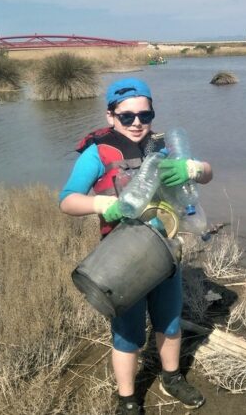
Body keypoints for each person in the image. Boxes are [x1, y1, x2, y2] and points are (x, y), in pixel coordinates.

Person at [59, 78, 212, 414]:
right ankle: (128, 398)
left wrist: (193, 168)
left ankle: (172, 379)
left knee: (169, 322)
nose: (137, 123)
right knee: (127, 334)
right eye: (127, 116)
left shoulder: (163, 148)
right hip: (120, 259)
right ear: (111, 116)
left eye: (145, 114)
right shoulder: (96, 154)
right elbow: (67, 201)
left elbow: (208, 174)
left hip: (165, 252)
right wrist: (103, 206)